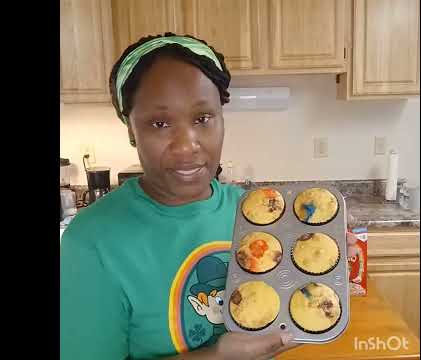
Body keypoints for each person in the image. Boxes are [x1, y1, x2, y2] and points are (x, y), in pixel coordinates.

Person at [60, 33, 297, 360]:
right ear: (131, 130)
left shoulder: (251, 214)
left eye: (203, 119)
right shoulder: (91, 242)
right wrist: (216, 357)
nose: (187, 145)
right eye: (159, 123)